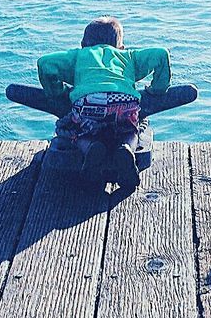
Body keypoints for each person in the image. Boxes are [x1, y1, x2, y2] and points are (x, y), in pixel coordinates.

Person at [36, 16, 170, 189]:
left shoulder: (78, 56)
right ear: (120, 47)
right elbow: (161, 54)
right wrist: (157, 89)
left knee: (75, 132)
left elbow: (45, 63)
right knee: (131, 130)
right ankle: (126, 149)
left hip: (89, 103)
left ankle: (91, 147)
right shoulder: (128, 56)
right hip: (124, 102)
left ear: (83, 45)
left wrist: (57, 92)